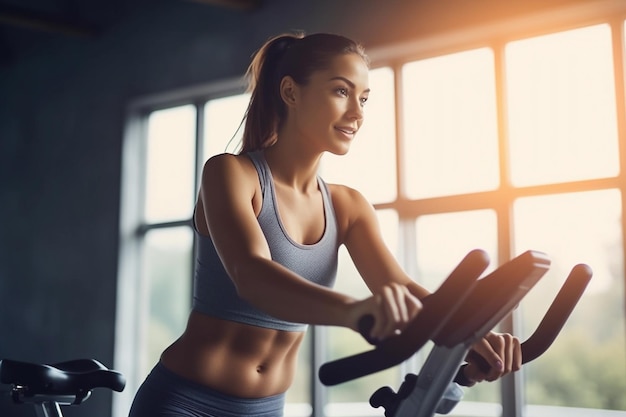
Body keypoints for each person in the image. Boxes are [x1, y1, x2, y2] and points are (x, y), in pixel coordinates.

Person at [128, 32, 521, 417]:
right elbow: (251, 274)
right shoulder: (230, 173)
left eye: (364, 98)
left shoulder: (347, 205)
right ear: (291, 92)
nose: (357, 113)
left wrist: (466, 335)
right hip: (185, 402)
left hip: (266, 408)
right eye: (341, 91)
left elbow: (399, 289)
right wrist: (353, 311)